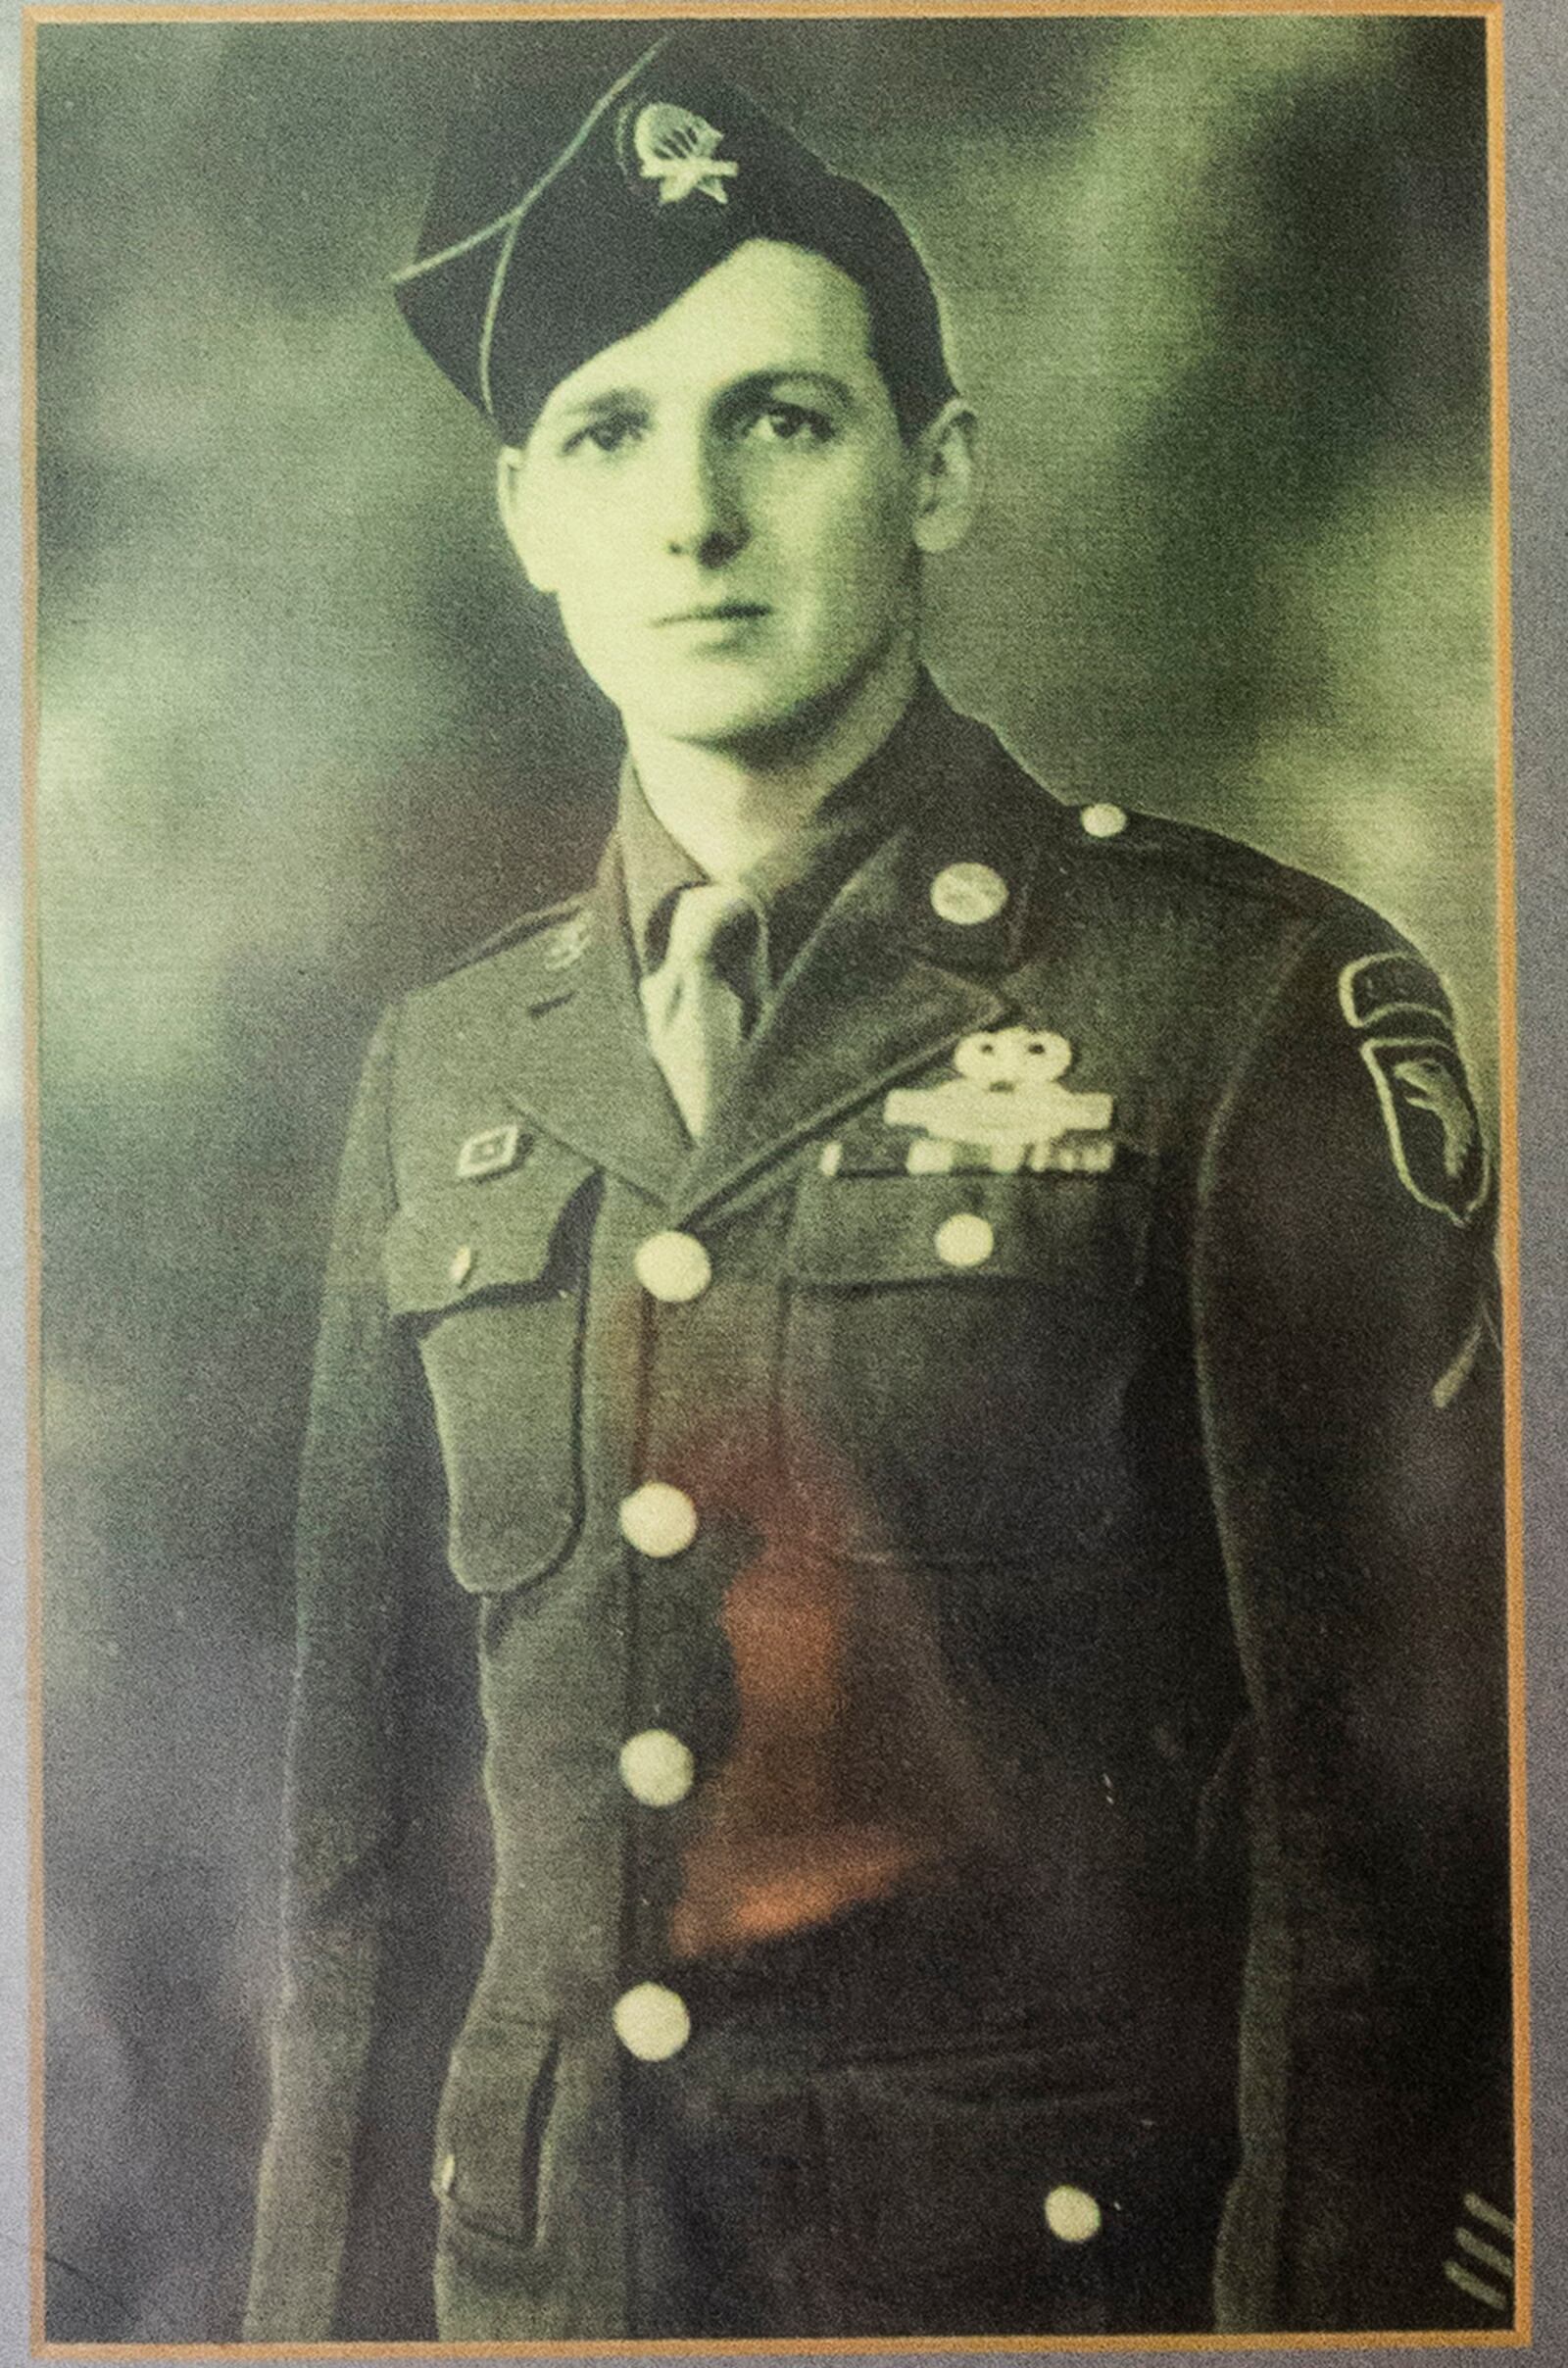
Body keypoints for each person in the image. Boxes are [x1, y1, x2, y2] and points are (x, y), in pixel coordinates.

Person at [244, 33, 1515, 2344]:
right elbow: (365, 1881)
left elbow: (1390, 1873)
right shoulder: (448, 1068)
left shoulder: (1228, 1015)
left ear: (933, 474)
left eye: (781, 419)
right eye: (608, 433)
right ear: (524, 516)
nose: (690, 514)